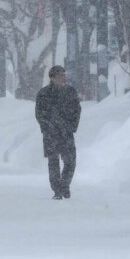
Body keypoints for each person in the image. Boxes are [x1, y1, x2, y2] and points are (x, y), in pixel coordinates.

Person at [35, 65, 81, 200]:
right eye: (60, 75)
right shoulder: (44, 93)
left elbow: (77, 110)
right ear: (52, 78)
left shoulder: (71, 92)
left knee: (70, 161)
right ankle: (57, 190)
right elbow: (39, 113)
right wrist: (46, 126)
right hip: (51, 133)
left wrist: (72, 126)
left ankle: (64, 185)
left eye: (64, 75)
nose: (63, 78)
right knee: (53, 162)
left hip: (66, 133)